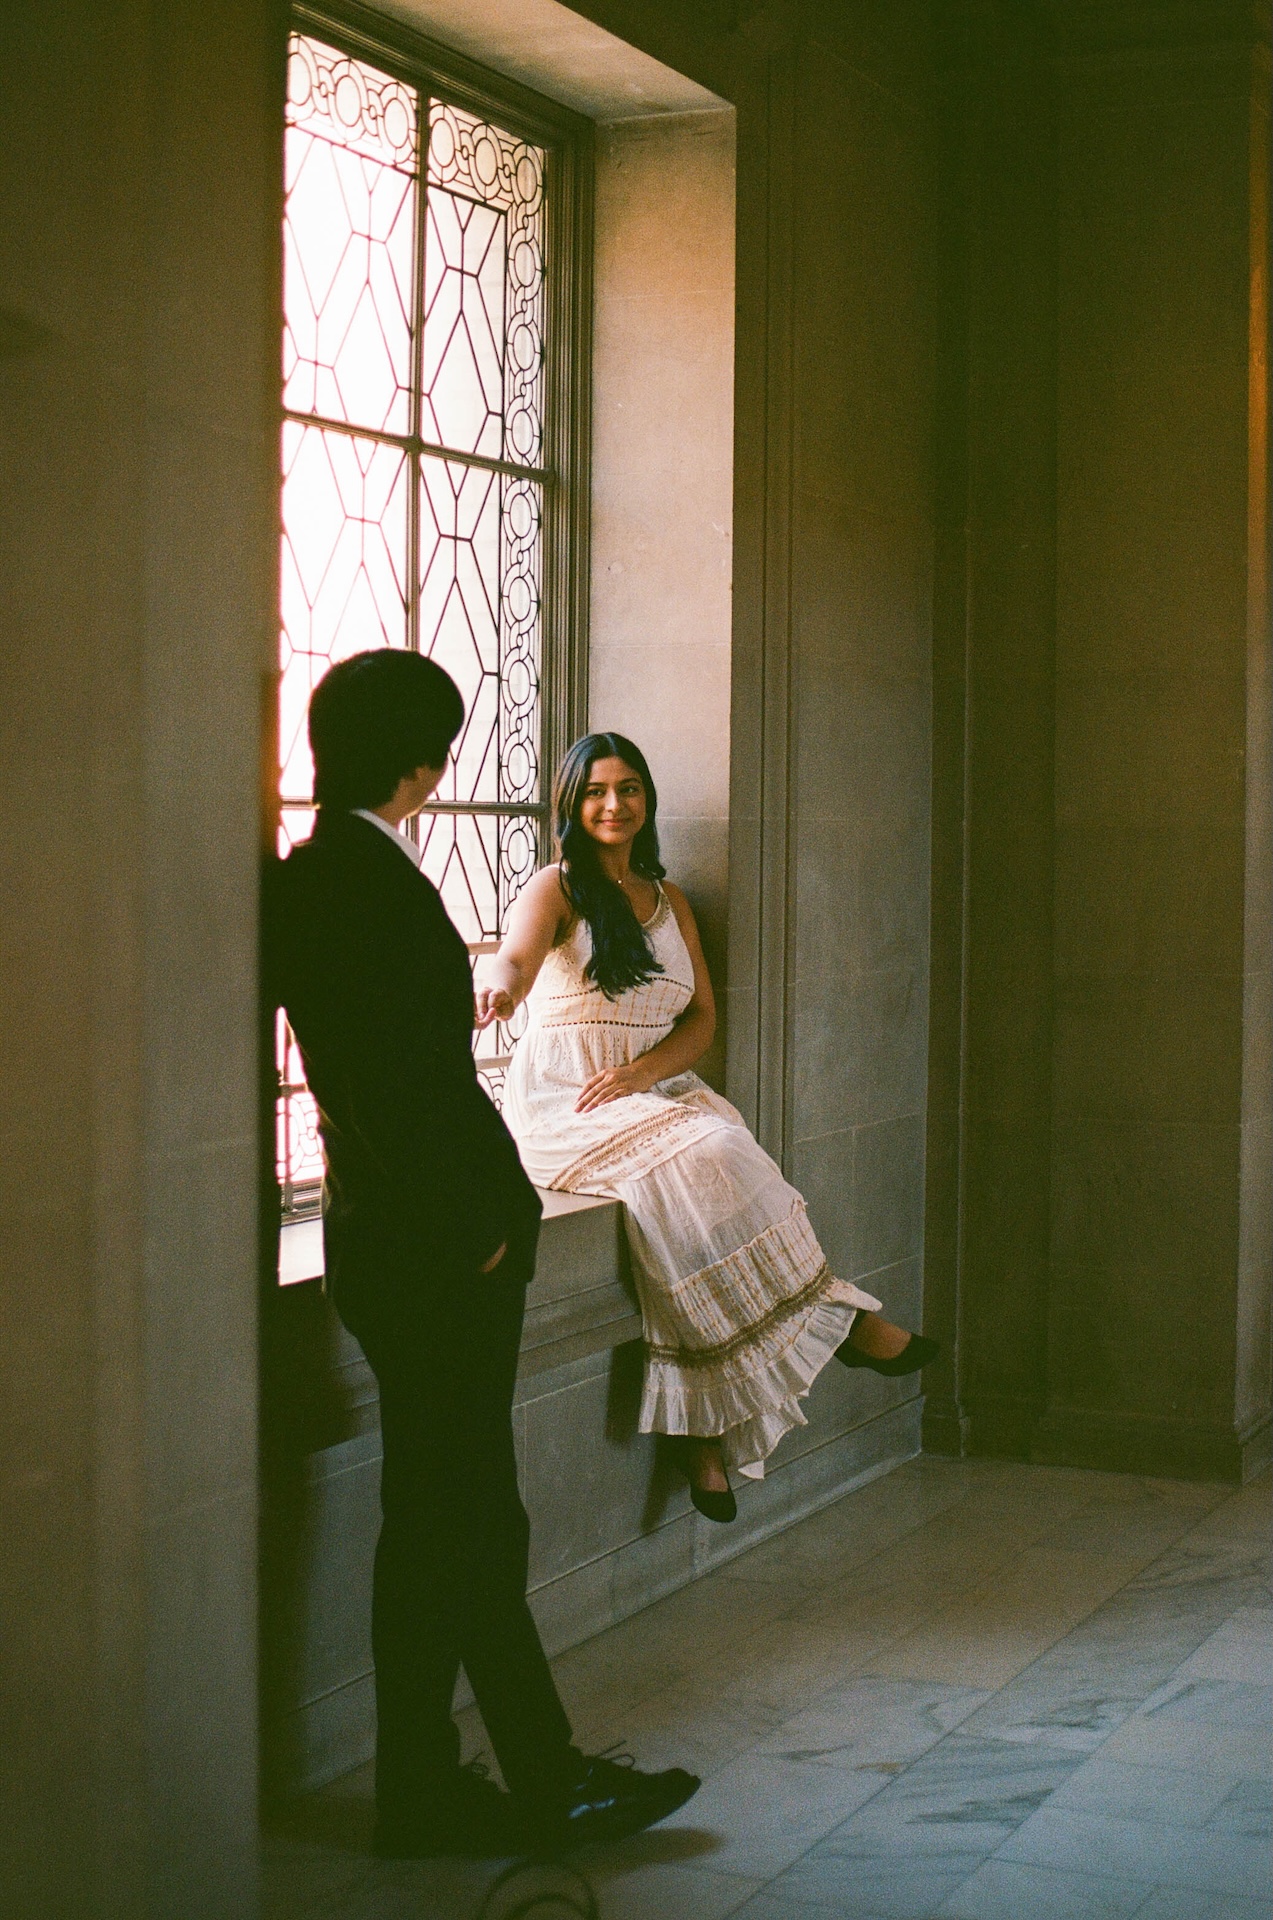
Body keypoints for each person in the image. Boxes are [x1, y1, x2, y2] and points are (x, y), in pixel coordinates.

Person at [264, 659, 699, 1858]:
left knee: (440, 1521)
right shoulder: (362, 881)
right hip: (437, 1256)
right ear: (423, 762)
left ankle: (433, 1788)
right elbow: (395, 1088)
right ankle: (537, 1782)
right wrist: (484, 1231)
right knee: (465, 1521)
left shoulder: (316, 873)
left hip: (396, 1244)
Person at [477, 732, 939, 1523]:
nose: (613, 804)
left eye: (627, 788)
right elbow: (513, 959)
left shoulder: (669, 899)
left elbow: (700, 1020)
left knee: (688, 1211)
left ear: (647, 798)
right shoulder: (556, 886)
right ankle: (843, 1323)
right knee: (716, 1151)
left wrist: (643, 1074)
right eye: (595, 791)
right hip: (567, 1097)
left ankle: (699, 1435)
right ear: (570, 804)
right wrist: (498, 989)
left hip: (648, 1088)